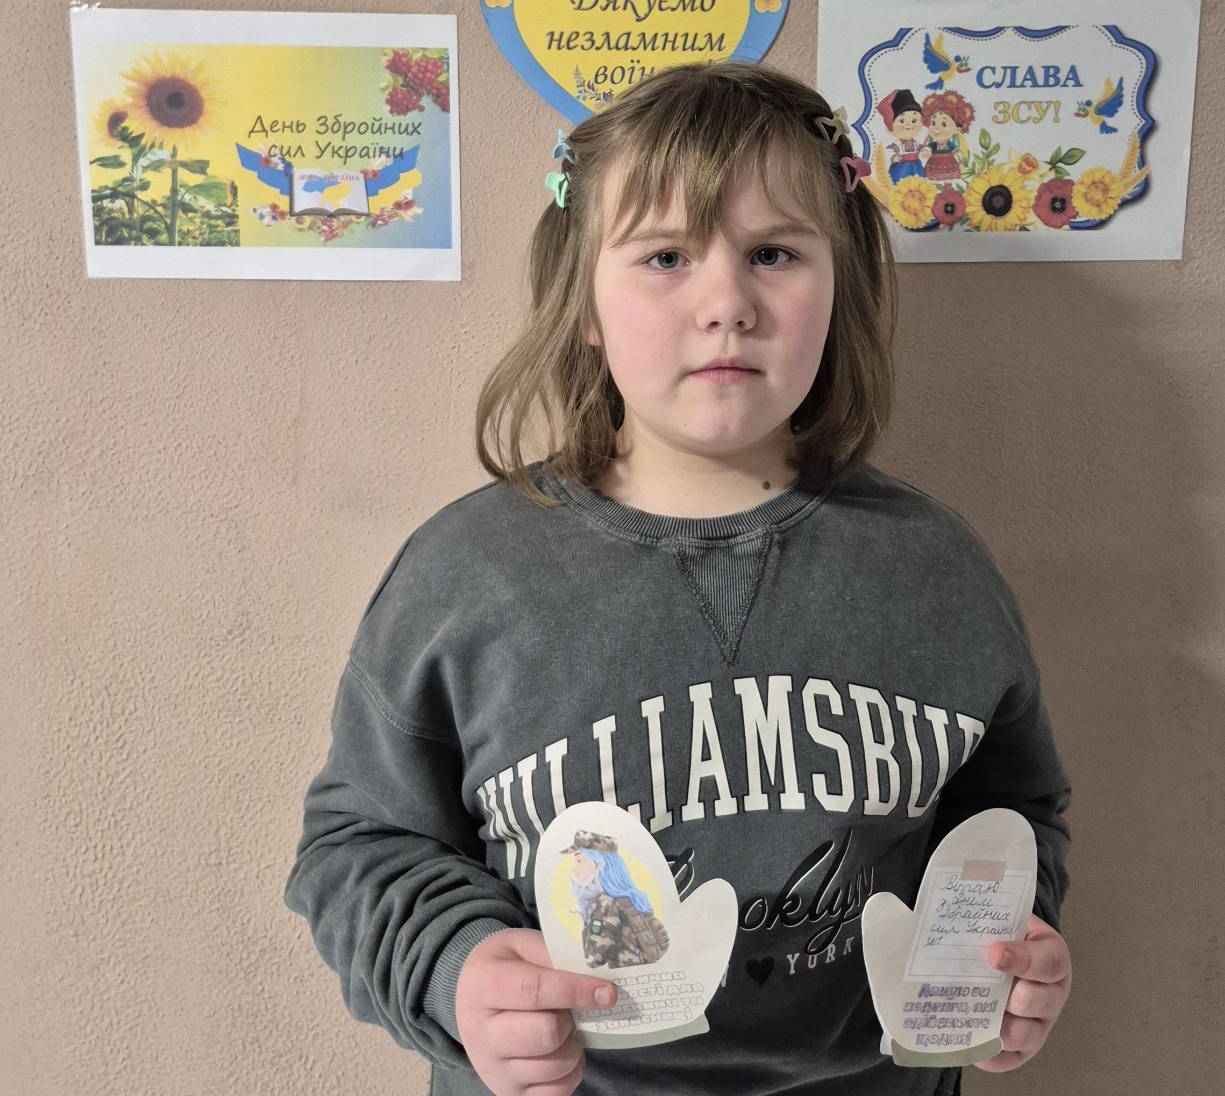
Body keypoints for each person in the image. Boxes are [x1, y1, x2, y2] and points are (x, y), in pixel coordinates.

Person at [283, 61, 1072, 1096]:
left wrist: (1013, 949)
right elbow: (362, 843)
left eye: (773, 253)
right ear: (584, 302)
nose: (726, 303)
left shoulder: (936, 570)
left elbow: (1012, 812)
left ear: (839, 284)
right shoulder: (463, 577)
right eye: (664, 256)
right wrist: (454, 968)